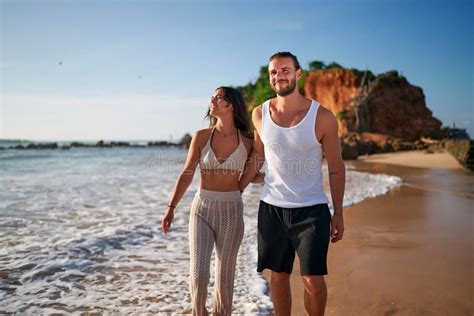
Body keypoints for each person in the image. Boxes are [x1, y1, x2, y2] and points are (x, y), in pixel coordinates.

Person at [239, 52, 346, 316]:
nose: (279, 76)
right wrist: (237, 187)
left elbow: (335, 167)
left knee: (313, 280)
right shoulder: (259, 114)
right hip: (271, 209)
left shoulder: (322, 117)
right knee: (278, 277)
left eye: (285, 70)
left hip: (311, 211)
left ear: (298, 74)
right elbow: (258, 156)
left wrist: (339, 213)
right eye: (274, 72)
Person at [161, 86, 253, 316]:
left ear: (231, 104)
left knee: (224, 278)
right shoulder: (202, 136)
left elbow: (254, 172)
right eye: (212, 97)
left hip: (232, 211)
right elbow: (187, 172)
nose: (212, 100)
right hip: (201, 209)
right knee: (199, 274)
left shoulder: (249, 141)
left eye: (218, 97)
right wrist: (171, 207)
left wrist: (242, 189)